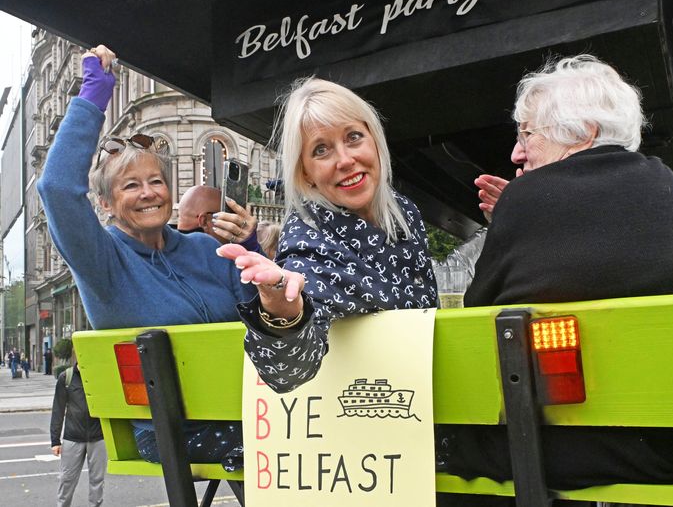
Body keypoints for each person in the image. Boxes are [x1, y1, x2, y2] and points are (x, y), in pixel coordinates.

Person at [439, 55, 673, 499]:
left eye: (527, 133)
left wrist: (515, 213)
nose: (516, 152)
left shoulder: (527, 199)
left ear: (584, 132)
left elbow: (477, 320)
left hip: (555, 448)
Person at [37, 44, 256, 468]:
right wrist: (93, 96)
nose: (149, 193)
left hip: (248, 411)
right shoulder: (103, 262)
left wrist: (248, 251)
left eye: (155, 180)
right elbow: (57, 189)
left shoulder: (206, 248)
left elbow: (263, 317)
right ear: (105, 204)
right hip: (176, 429)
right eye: (130, 186)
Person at [217, 77, 438, 393]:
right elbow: (287, 373)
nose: (345, 160)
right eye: (321, 150)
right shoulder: (308, 241)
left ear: (374, 139)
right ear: (305, 171)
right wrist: (281, 306)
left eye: (354, 137)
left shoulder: (404, 210)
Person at [50, 350, 106, 507]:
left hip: (99, 437)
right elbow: (58, 410)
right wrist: (55, 440)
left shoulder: (99, 376)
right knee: (66, 479)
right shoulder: (66, 378)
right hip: (72, 437)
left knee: (97, 481)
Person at [177, 184, 259, 248]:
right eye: (227, 216)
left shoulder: (169, 249)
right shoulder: (212, 260)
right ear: (204, 221)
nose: (234, 224)